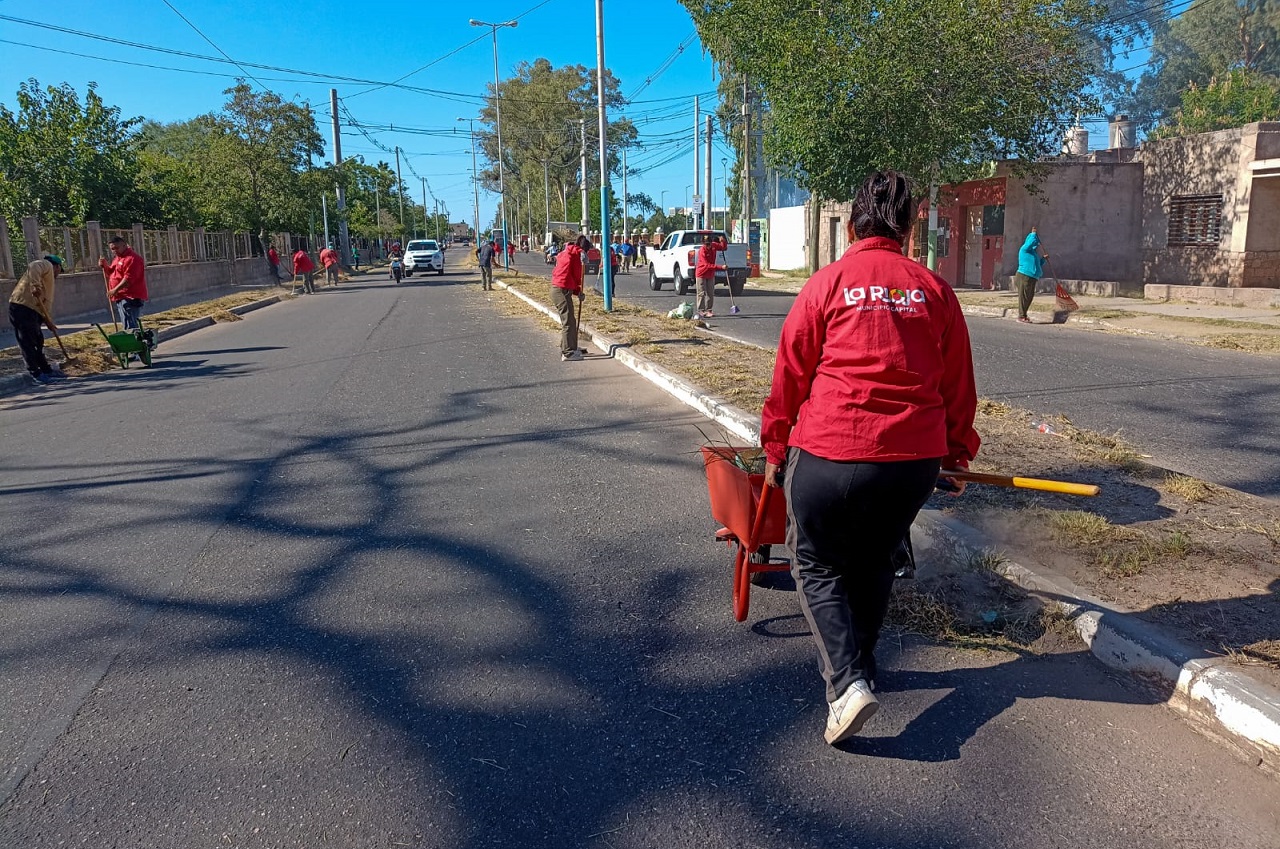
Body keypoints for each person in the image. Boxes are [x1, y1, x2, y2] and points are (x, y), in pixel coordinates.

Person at [759, 170, 979, 746]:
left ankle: (846, 684)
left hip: (831, 450)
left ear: (854, 227)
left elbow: (790, 372)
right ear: (907, 230)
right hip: (912, 461)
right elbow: (958, 384)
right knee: (877, 559)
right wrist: (958, 452)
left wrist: (775, 444)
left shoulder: (827, 284)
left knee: (814, 562)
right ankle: (863, 666)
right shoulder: (934, 290)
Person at [8, 255, 67, 385]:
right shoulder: (47, 265)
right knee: (28, 342)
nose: (58, 274)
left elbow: (45, 305)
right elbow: (34, 265)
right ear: (57, 266)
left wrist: (48, 321)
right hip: (23, 308)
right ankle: (35, 373)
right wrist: (35, 285)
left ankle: (46, 370)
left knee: (38, 341)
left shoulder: (47, 281)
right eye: (59, 270)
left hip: (34, 311)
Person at [551, 236, 590, 361]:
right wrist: (581, 253)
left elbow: (571, 276)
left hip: (563, 289)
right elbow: (577, 276)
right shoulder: (573, 254)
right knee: (568, 321)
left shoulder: (568, 252)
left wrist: (578, 292)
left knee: (571, 320)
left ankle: (571, 347)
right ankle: (567, 353)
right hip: (560, 290)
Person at [100, 235, 148, 330]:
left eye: (117, 248)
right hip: (121, 296)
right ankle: (131, 337)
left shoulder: (132, 259)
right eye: (112, 249)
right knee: (127, 322)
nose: (114, 251)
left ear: (124, 245)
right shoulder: (118, 258)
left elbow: (128, 279)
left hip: (130, 297)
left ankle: (132, 339)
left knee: (130, 324)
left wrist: (115, 290)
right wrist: (104, 266)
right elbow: (112, 273)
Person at [1015, 228, 1047, 323]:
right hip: (1024, 276)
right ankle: (1021, 316)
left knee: (1029, 297)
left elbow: (1037, 264)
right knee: (1024, 297)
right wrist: (1033, 234)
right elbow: (1030, 243)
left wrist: (1043, 259)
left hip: (1033, 277)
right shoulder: (1024, 249)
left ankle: (1024, 315)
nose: (1035, 244)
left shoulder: (1034, 254)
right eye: (1034, 242)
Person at [694, 234, 727, 318]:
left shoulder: (714, 245)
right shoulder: (702, 251)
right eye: (706, 244)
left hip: (710, 273)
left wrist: (722, 241)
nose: (708, 246)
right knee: (701, 293)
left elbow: (723, 248)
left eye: (709, 243)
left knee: (710, 292)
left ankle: (709, 310)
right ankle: (701, 310)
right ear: (703, 243)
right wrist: (721, 267)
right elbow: (707, 265)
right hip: (701, 273)